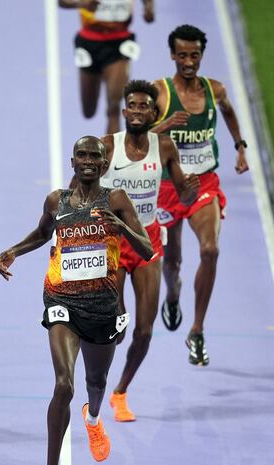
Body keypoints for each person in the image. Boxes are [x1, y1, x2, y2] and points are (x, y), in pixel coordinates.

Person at [0, 136, 153, 465]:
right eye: (81, 155)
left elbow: (147, 249)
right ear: (72, 161)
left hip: (102, 305)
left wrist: (120, 226)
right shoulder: (57, 201)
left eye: (94, 157)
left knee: (95, 384)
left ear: (103, 164)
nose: (87, 161)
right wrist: (13, 250)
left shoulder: (115, 200)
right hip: (61, 299)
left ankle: (94, 417)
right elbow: (41, 233)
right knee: (63, 384)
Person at [96, 80, 199, 421]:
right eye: (132, 106)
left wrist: (187, 193)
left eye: (144, 107)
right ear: (124, 111)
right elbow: (75, 194)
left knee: (144, 330)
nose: (137, 111)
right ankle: (97, 380)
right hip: (112, 240)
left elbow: (184, 196)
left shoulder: (165, 147)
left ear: (154, 113)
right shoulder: (106, 148)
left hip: (148, 241)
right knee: (119, 327)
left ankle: (120, 392)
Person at [151, 24, 249, 366]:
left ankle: (197, 330)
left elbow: (229, 112)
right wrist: (163, 126)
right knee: (173, 261)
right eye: (182, 55)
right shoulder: (159, 93)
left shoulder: (215, 89)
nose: (188, 61)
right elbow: (136, 134)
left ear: (201, 55)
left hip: (204, 184)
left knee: (210, 250)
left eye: (194, 55)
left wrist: (239, 146)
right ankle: (173, 295)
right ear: (172, 55)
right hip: (166, 188)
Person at [59, 0, 155, 134]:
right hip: (88, 42)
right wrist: (80, 3)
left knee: (114, 108)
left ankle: (109, 154)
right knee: (88, 111)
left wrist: (148, 6)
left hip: (119, 43)